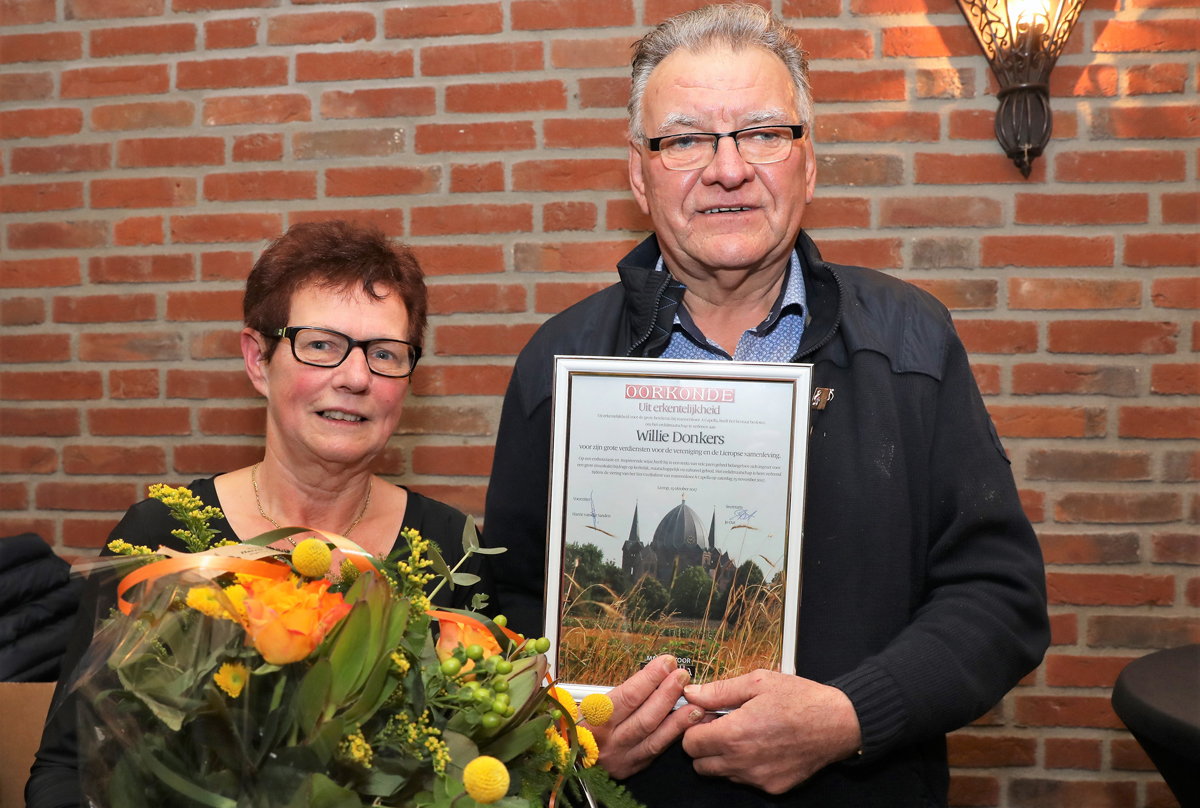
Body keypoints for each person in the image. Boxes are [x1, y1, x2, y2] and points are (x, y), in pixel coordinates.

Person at [482, 5, 1049, 807]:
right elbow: (504, 608)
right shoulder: (557, 363)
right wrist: (561, 721)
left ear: (807, 164)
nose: (728, 168)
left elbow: (1000, 598)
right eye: (685, 140)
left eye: (762, 133)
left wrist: (851, 716)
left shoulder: (912, 345)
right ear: (639, 175)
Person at [27, 220, 491, 808]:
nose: (355, 378)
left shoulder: (452, 552)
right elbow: (66, 769)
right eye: (320, 345)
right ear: (257, 359)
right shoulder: (163, 538)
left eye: (384, 354)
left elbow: (486, 760)